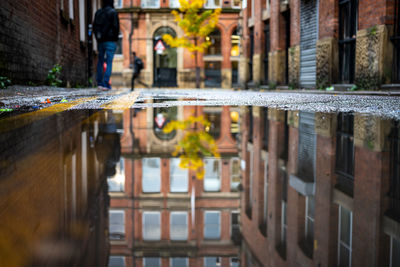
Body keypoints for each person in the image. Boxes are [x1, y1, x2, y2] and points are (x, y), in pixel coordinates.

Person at [93, 0, 120, 90]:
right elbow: (116, 27)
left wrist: (98, 38)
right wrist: (115, 39)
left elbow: (95, 27)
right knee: (109, 62)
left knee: (100, 61)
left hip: (101, 41)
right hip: (110, 41)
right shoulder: (113, 12)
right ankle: (105, 84)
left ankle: (99, 83)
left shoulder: (98, 12)